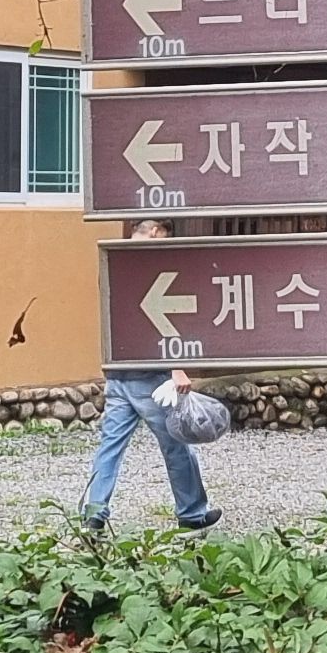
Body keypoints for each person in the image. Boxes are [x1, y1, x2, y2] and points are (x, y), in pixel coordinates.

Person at [84, 221, 219, 534]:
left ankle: (94, 512)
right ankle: (192, 513)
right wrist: (175, 367)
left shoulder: (113, 260)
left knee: (110, 447)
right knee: (177, 444)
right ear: (157, 231)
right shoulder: (151, 262)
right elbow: (158, 317)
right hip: (150, 376)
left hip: (117, 372)